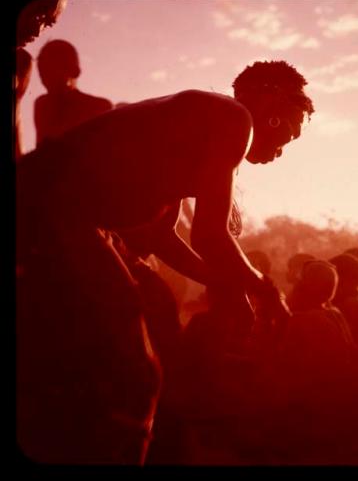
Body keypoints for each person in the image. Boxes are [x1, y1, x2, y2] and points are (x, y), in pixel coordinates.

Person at [16, 60, 314, 463]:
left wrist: (227, 283)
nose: (278, 152)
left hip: (61, 211)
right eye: (285, 133)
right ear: (270, 98)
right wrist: (263, 288)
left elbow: (162, 238)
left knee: (127, 363)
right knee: (136, 374)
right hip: (48, 206)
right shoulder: (232, 118)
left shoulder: (195, 126)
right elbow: (210, 235)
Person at [15, 0, 66, 159]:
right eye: (38, 15)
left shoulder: (22, 64)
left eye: (48, 24)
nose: (38, 31)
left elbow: (15, 127)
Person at [34, 39, 113, 144]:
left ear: (74, 71)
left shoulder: (100, 107)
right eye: (42, 71)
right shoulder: (42, 105)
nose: (45, 77)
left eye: (52, 68)